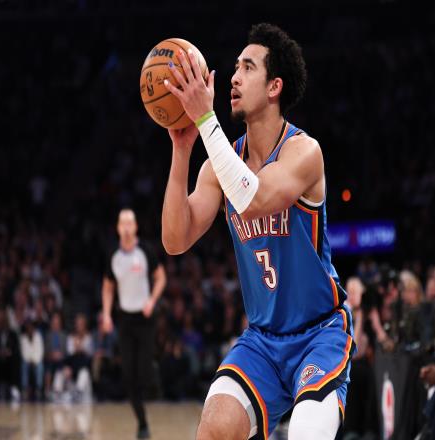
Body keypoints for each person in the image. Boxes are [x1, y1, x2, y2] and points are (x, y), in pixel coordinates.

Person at [162, 23, 355, 440]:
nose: (233, 77)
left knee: (305, 434)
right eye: (235, 67)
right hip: (263, 342)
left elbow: (256, 197)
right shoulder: (219, 164)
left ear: (274, 87)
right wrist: (182, 150)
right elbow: (175, 240)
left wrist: (206, 120)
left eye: (247, 68)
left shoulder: (304, 152)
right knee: (213, 430)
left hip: (319, 335)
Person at [101, 209, 166, 439]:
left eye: (130, 223)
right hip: (125, 320)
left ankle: (152, 375)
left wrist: (152, 300)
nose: (127, 228)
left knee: (144, 372)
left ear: (135, 227)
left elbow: (161, 277)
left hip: (145, 319)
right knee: (129, 376)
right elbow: (108, 287)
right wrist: (106, 314)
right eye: (123, 224)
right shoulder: (114, 256)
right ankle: (142, 423)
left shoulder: (145, 251)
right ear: (118, 228)